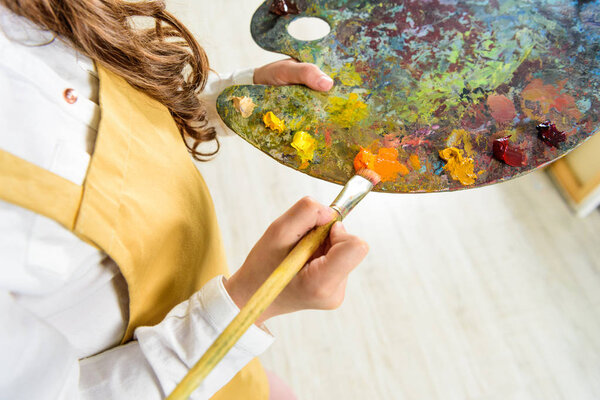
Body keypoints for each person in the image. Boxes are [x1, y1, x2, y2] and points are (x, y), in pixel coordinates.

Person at [0, 1, 368, 399]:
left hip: (206, 324)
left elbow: (94, 98)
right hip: (179, 366)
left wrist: (222, 103)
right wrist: (250, 303)